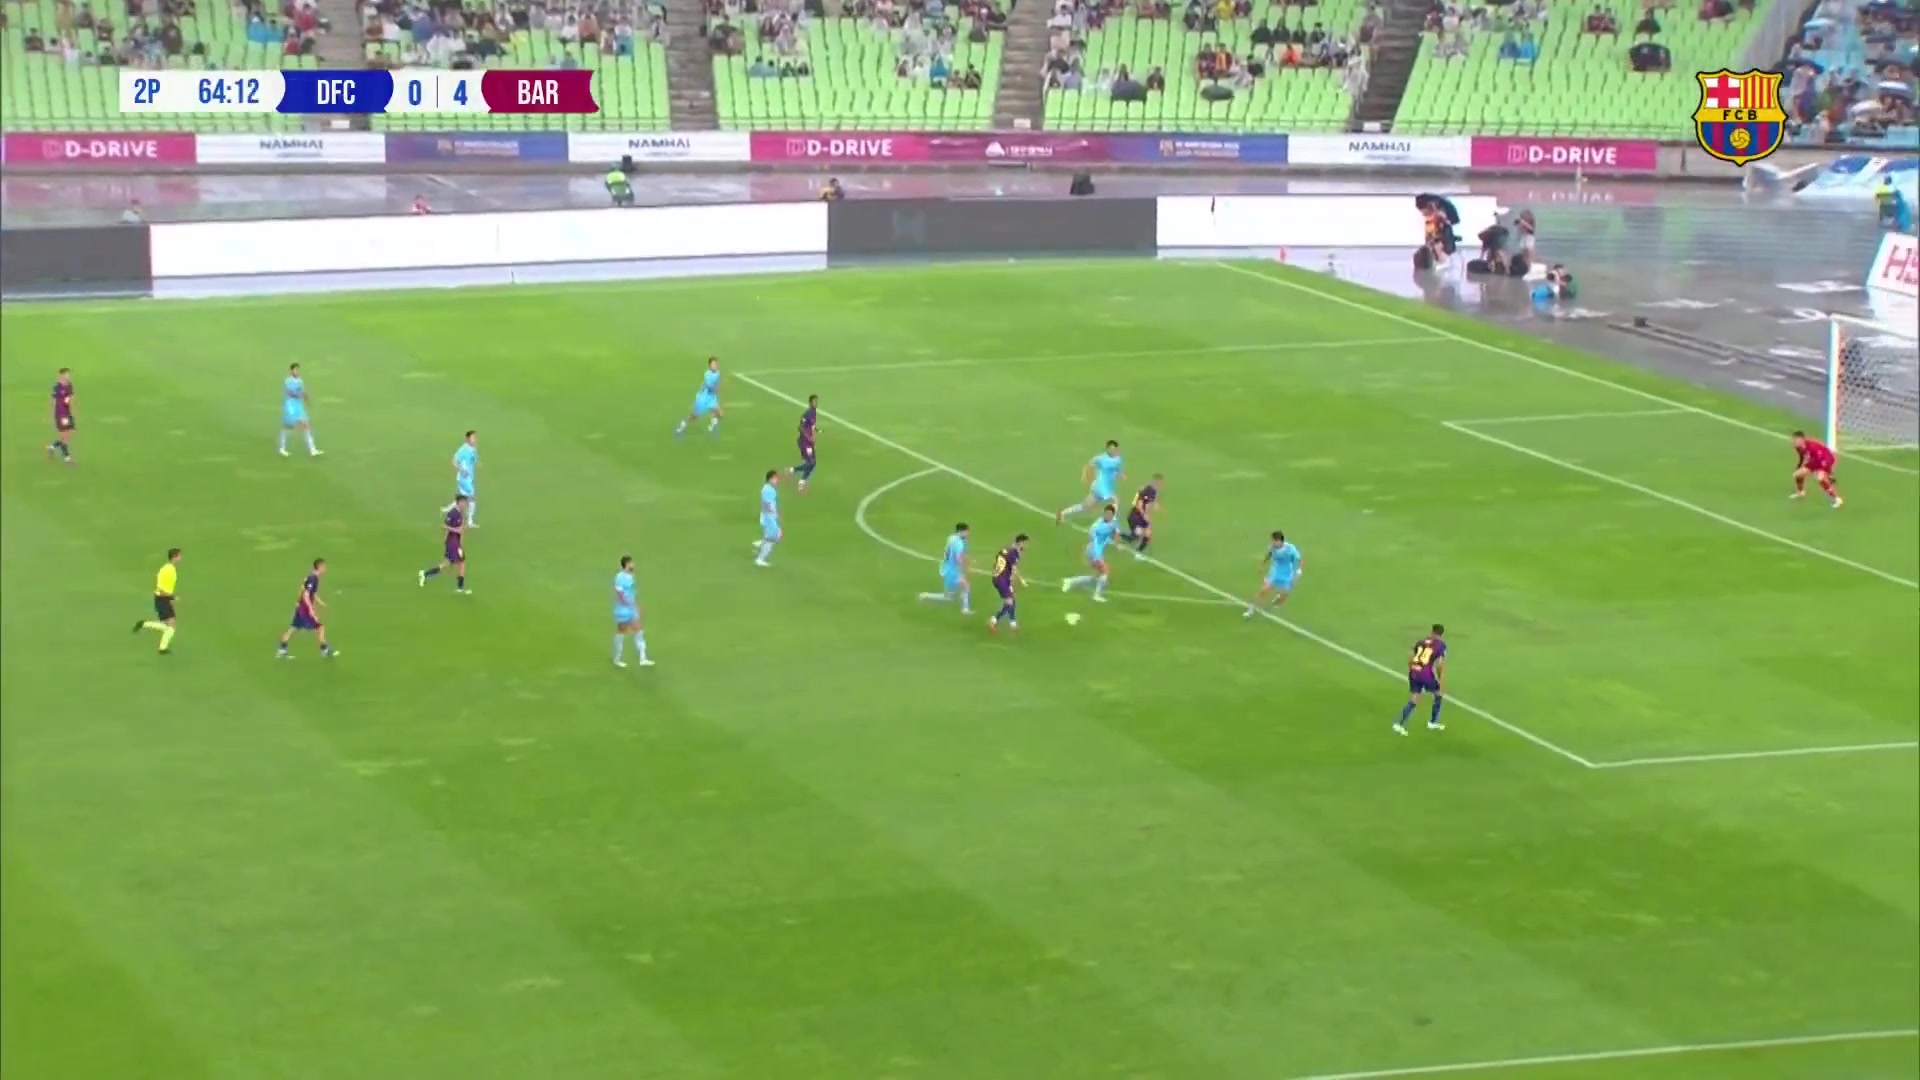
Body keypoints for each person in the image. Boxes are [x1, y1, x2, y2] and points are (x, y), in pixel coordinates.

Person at [277, 558, 336, 659]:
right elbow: (306, 595)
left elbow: (307, 591)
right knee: (320, 627)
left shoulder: (311, 577)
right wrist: (311, 610)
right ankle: (325, 651)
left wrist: (320, 602)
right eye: (324, 566)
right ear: (319, 567)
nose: (325, 569)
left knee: (292, 628)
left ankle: (281, 650)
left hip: (301, 608)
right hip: (305, 609)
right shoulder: (313, 579)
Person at [1395, 624, 1447, 735]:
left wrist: (1411, 669)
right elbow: (1440, 665)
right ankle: (1433, 722)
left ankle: (1399, 724)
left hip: (1414, 671)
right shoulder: (1441, 645)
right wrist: (1441, 680)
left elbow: (1411, 654)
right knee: (1438, 694)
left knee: (1414, 698)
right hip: (1425, 674)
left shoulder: (1421, 641)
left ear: (1432, 631)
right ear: (1441, 634)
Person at [1061, 505, 1119, 601]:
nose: (1107, 515)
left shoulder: (1113, 522)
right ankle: (1096, 595)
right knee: (1105, 570)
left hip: (1098, 550)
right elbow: (1091, 535)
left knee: (1098, 576)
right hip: (1094, 551)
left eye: (1110, 514)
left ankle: (1070, 581)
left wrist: (1115, 543)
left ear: (1112, 515)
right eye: (1106, 513)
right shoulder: (1098, 523)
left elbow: (1115, 533)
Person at [1058, 440, 1125, 522]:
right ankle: (1109, 522)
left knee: (1084, 507)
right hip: (1100, 487)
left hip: (1105, 488)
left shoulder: (1118, 459)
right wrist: (1084, 476)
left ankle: (1063, 513)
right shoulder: (1100, 458)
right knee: (1116, 501)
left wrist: (1120, 475)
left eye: (1114, 449)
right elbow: (1088, 465)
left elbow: (1118, 472)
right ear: (1107, 449)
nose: (1113, 451)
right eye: (1111, 449)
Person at [132, 547, 181, 654]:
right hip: (162, 598)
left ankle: (144, 624)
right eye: (179, 556)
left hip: (165, 598)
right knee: (171, 625)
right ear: (174, 557)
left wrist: (170, 598)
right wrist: (171, 596)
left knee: (169, 625)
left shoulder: (169, 569)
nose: (180, 558)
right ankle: (162, 648)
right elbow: (160, 587)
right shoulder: (168, 570)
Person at [419, 494, 471, 592]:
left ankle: (426, 574)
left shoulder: (460, 513)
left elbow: (459, 529)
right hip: (452, 543)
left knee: (451, 563)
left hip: (456, 543)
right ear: (459, 503)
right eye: (464, 503)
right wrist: (455, 531)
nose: (466, 505)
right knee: (457, 563)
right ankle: (459, 588)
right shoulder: (453, 513)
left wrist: (462, 533)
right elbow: (444, 526)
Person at [1244, 530, 1302, 615]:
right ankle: (1251, 609)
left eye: (1274, 541)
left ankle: (1278, 599)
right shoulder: (1272, 547)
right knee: (1263, 590)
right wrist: (1262, 565)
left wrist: (1297, 573)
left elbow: (1298, 560)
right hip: (1275, 572)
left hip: (1288, 573)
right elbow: (1268, 555)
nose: (1272, 542)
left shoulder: (1290, 549)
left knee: (1282, 599)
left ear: (1279, 541)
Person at [918, 522, 972, 612]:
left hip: (947, 567)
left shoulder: (951, 538)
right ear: (961, 531)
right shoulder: (959, 543)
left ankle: (965, 608)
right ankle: (925, 595)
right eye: (966, 531)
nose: (968, 533)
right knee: (950, 596)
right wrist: (962, 572)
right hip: (952, 571)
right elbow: (958, 558)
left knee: (964, 586)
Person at [612, 555, 653, 667]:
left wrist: (635, 605)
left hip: (631, 608)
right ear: (627, 564)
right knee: (621, 632)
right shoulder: (619, 577)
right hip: (622, 610)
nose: (633, 565)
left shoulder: (630, 576)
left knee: (639, 631)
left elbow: (630, 593)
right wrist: (631, 604)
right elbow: (620, 595)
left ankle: (643, 659)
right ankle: (617, 659)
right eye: (631, 563)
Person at [987, 534, 1029, 633]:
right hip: (1002, 580)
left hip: (998, 577)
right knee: (1009, 602)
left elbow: (996, 562)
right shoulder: (1013, 554)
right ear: (1020, 543)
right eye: (1025, 543)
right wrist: (1018, 581)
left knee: (1012, 598)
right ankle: (993, 620)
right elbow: (1014, 570)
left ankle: (1013, 623)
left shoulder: (1005, 550)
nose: (1026, 546)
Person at [278, 363, 323, 457]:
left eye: (298, 370)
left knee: (306, 426)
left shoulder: (300, 381)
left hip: (298, 407)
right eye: (295, 370)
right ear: (291, 371)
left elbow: (302, 392)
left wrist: (307, 400)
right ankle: (282, 448)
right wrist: (300, 395)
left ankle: (312, 450)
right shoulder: (288, 381)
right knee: (288, 427)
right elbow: (290, 393)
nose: (297, 372)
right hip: (290, 406)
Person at [1789, 430, 1842, 508]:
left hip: (1826, 458)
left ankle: (1837, 499)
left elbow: (1822, 459)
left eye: (1796, 440)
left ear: (1802, 440)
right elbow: (1802, 457)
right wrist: (1799, 466)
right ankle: (1801, 493)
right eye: (1794, 439)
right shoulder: (1798, 447)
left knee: (1820, 478)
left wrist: (1828, 473)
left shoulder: (1812, 446)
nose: (1794, 441)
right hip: (1814, 460)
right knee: (1797, 474)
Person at [674, 357, 724, 438]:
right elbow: (709, 386)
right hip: (703, 398)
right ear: (710, 365)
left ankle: (712, 421)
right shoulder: (707, 374)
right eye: (713, 364)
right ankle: (682, 426)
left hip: (711, 397)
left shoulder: (718, 373)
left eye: (716, 364)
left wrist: (717, 389)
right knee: (694, 417)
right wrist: (714, 389)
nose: (715, 365)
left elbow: (716, 385)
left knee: (720, 413)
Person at [1122, 473, 1162, 554]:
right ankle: (1119, 535)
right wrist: (1145, 516)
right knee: (1138, 534)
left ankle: (1139, 552)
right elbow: (1139, 505)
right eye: (1158, 482)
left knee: (1148, 533)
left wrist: (1155, 506)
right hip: (1135, 516)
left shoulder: (1153, 491)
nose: (1160, 484)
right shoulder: (1147, 490)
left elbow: (1150, 504)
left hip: (1141, 516)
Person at [787, 394, 818, 491]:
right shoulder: (808, 413)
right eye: (814, 401)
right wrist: (809, 437)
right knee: (811, 462)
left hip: (809, 442)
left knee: (813, 463)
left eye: (816, 401)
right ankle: (793, 471)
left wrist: (815, 432)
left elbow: (810, 426)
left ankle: (801, 480)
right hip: (805, 442)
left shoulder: (813, 412)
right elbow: (800, 427)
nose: (816, 403)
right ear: (810, 402)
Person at [755, 470, 782, 567]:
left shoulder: (767, 488)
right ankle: (760, 559)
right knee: (773, 538)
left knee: (771, 537)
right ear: (770, 479)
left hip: (767, 516)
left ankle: (761, 544)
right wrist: (774, 516)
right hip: (769, 517)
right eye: (775, 478)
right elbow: (769, 505)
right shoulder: (769, 490)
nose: (777, 480)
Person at [452, 430, 479, 526]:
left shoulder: (473, 450)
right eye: (472, 438)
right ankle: (469, 521)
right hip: (464, 478)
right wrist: (461, 470)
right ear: (467, 439)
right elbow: (454, 461)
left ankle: (451, 510)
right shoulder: (463, 450)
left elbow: (473, 462)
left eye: (475, 438)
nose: (474, 440)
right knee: (471, 497)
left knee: (463, 498)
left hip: (469, 478)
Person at [48, 367, 75, 464]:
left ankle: (51, 447)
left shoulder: (69, 385)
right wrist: (51, 413)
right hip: (60, 414)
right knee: (64, 436)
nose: (68, 376)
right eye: (66, 374)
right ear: (61, 375)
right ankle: (67, 458)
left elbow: (70, 397)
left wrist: (71, 408)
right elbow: (52, 400)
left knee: (66, 437)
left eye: (68, 374)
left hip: (67, 413)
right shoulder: (57, 386)